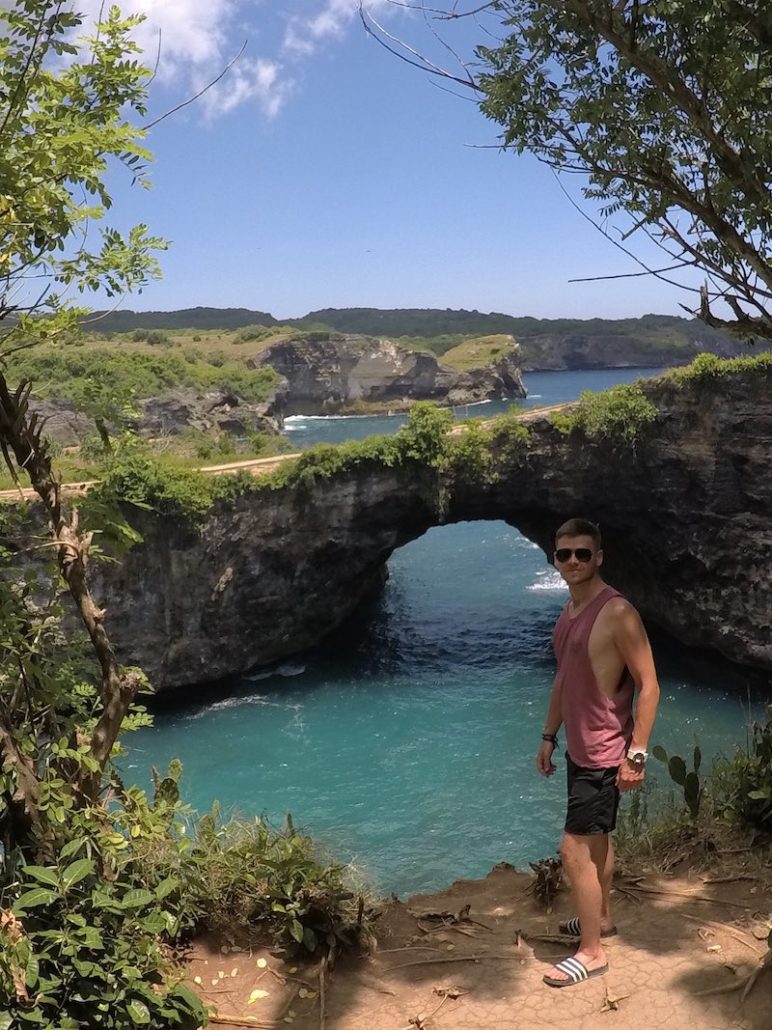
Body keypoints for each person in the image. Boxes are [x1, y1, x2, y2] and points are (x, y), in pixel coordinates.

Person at [536, 517, 660, 989]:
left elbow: (650, 686)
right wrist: (549, 735)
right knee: (598, 841)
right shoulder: (569, 612)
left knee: (574, 851)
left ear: (599, 557)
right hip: (578, 749)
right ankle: (602, 919)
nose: (572, 561)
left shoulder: (617, 613)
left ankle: (591, 952)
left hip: (605, 754)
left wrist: (637, 755)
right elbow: (564, 678)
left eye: (582, 554)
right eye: (564, 554)